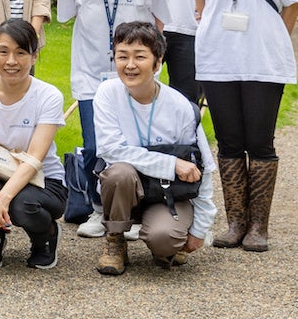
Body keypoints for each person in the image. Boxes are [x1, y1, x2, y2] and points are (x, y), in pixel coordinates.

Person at [189, 0, 298, 253]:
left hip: (264, 60)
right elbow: (200, 3)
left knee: (261, 140)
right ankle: (235, 221)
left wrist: (270, 38)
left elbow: (293, 1)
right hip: (218, 58)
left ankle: (259, 225)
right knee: (230, 141)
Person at [57, 0, 169, 239]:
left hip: (137, 77)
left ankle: (136, 213)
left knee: (138, 144)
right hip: (91, 74)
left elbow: (161, 22)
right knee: (95, 146)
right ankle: (97, 208)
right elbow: (64, 15)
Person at [93, 21, 217, 274]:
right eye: (122, 56)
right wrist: (172, 163)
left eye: (140, 57)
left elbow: (204, 167)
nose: (129, 65)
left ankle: (168, 241)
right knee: (119, 172)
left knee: (166, 241)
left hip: (167, 194)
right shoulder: (107, 93)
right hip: (125, 190)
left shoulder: (180, 107)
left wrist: (200, 228)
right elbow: (110, 149)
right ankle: (115, 240)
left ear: (158, 62)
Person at [0, 20, 67, 269]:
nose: (11, 61)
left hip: (43, 179)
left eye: (21, 53)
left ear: (34, 56)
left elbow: (34, 158)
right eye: (3, 51)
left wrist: (2, 199)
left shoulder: (49, 95)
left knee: (23, 206)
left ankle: (46, 237)